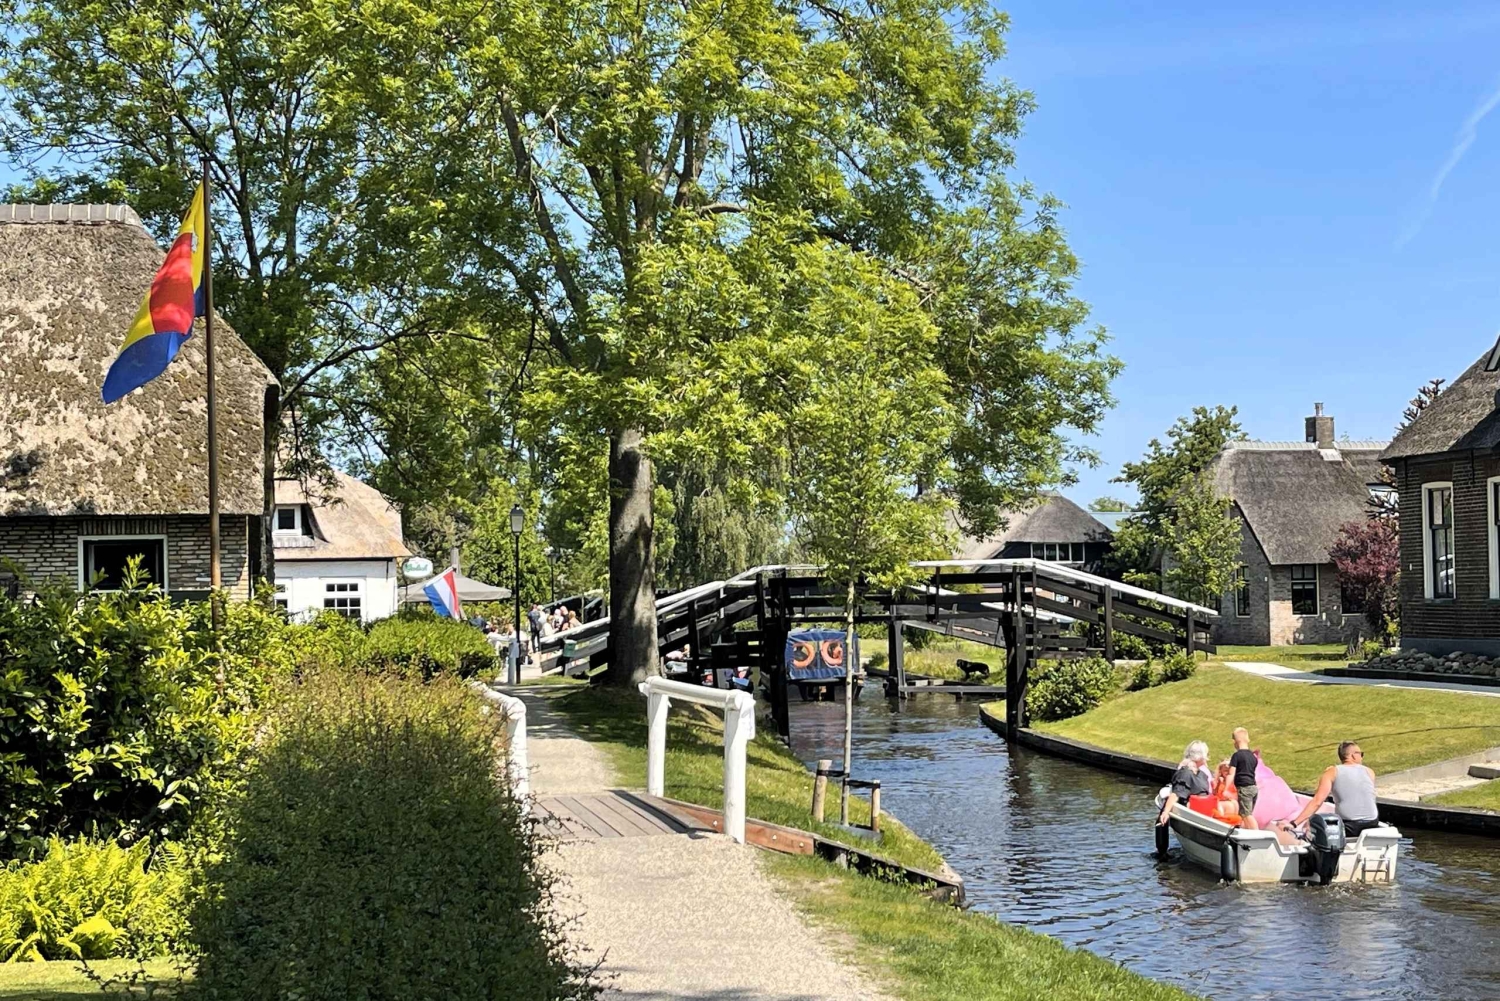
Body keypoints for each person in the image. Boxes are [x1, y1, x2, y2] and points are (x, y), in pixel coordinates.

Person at [1290, 741, 1380, 837]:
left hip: (1349, 826)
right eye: (1361, 754)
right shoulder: (1370, 772)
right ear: (1353, 755)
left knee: (1310, 823)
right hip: (1372, 823)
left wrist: (1294, 823)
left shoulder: (1331, 773)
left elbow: (1317, 801)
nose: (1362, 757)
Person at [1157, 740, 1211, 827]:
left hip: (1206, 810)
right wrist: (1165, 812)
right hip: (1195, 813)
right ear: (1200, 756)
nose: (1208, 757)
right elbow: (1176, 794)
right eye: (1206, 754)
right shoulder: (1185, 773)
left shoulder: (1201, 773)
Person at [1225, 727, 1261, 830]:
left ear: (1236, 742)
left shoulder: (1237, 756)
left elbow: (1231, 774)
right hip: (1253, 788)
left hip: (1244, 789)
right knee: (1245, 813)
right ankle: (1245, 831)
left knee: (1246, 815)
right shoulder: (1253, 757)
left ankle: (1257, 835)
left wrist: (1226, 788)